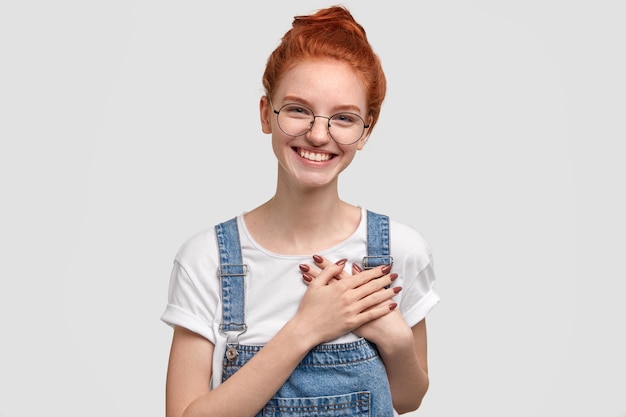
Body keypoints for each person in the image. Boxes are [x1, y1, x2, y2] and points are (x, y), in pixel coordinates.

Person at [161, 5, 439, 416]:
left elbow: (407, 398)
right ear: (264, 114)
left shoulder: (399, 249)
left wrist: (395, 339)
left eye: (343, 118)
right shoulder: (208, 260)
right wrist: (307, 328)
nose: (319, 133)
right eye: (298, 109)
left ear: (366, 131)